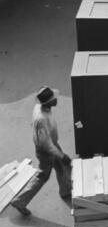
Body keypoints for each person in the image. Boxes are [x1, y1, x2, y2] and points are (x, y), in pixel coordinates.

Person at [10, 87, 71, 217]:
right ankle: (20, 201)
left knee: (62, 166)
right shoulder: (41, 119)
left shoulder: (40, 107)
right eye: (54, 98)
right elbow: (46, 144)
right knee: (43, 176)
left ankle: (65, 191)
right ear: (48, 102)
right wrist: (61, 155)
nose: (56, 99)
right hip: (47, 152)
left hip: (52, 145)